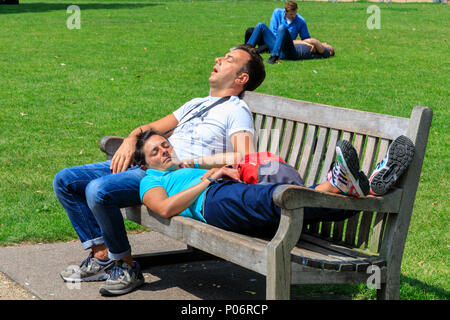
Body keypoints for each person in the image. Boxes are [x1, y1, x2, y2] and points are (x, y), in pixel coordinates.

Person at [53, 44, 266, 296]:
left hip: (170, 175)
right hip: (148, 162)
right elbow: (152, 128)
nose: (218, 58)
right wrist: (132, 139)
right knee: (66, 180)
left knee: (99, 190)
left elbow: (245, 156)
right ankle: (102, 257)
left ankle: (126, 266)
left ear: (242, 78)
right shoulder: (197, 103)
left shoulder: (236, 109)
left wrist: (196, 162)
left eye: (229, 59)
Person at [137, 131, 414, 239]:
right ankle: (342, 183)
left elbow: (238, 158)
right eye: (155, 151)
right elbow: (164, 208)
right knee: (280, 197)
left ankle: (360, 190)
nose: (164, 150)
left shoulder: (186, 166)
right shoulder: (151, 180)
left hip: (233, 201)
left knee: (295, 208)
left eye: (165, 144)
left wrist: (208, 168)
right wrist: (209, 179)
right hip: (213, 202)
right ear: (146, 164)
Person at [247, 21, 334, 64]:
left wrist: (309, 42)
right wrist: (304, 43)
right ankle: (246, 51)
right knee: (260, 25)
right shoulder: (310, 45)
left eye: (328, 45)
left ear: (330, 51)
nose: (325, 43)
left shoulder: (325, 53)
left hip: (293, 53)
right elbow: (293, 41)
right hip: (282, 49)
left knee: (282, 28)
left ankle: (274, 56)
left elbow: (313, 40)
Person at [244, 1, 310, 54]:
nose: (294, 16)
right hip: (272, 39)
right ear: (285, 12)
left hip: (284, 45)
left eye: (295, 14)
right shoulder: (277, 13)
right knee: (250, 31)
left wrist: (310, 44)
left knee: (265, 46)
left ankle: (251, 51)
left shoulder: (301, 21)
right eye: (291, 14)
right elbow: (273, 31)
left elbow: (306, 38)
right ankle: (245, 50)